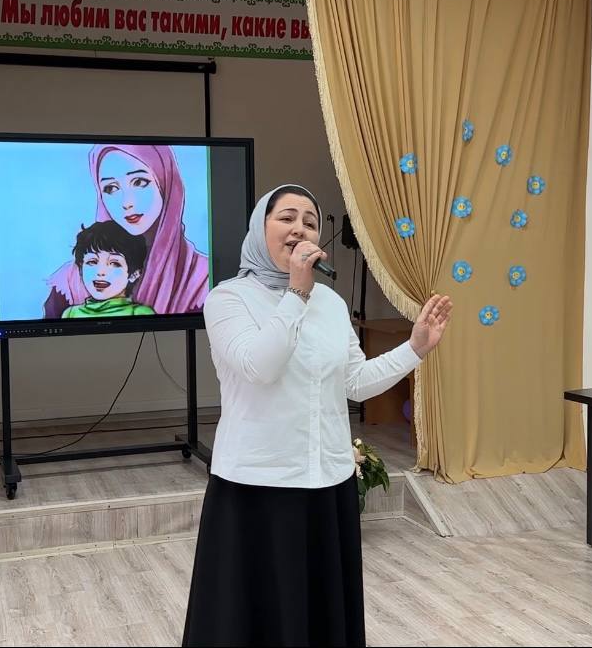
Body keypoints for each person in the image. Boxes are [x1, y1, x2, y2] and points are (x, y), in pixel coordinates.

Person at [181, 185, 453, 647]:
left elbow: (354, 383)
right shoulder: (228, 299)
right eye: (286, 218)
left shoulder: (331, 303)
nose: (300, 229)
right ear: (260, 228)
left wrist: (414, 349)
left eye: (309, 222)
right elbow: (260, 367)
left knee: (320, 615)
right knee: (255, 617)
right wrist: (296, 293)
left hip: (327, 481)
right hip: (257, 484)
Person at [44, 144, 209, 317]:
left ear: (165, 182)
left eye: (139, 182)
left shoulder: (203, 278)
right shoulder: (70, 281)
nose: (127, 202)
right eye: (110, 188)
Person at [61, 220, 155, 318]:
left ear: (134, 274)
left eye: (114, 263)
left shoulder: (139, 313)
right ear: (81, 268)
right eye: (92, 262)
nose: (100, 272)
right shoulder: (70, 314)